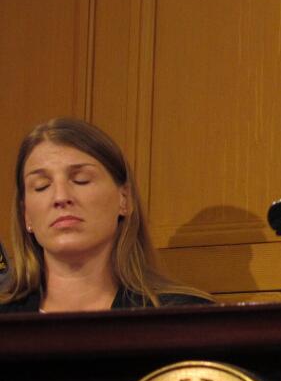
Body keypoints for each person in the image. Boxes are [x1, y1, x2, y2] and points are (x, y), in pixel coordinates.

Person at [0, 118, 212, 313]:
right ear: (26, 214)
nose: (61, 197)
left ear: (124, 199)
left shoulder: (183, 318)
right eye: (41, 186)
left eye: (81, 179)